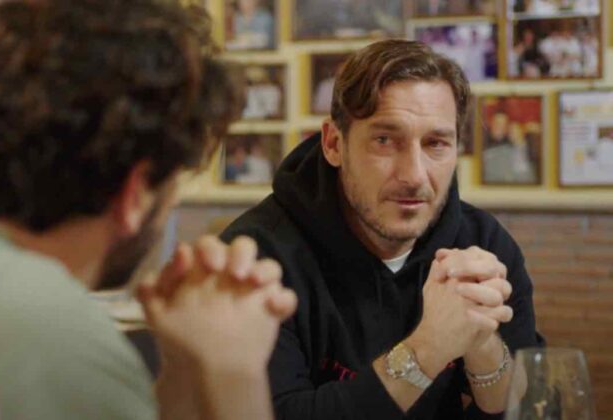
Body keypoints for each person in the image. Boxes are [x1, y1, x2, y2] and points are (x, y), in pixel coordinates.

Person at [0, 1, 298, 419]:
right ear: (135, 193)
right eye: (172, 184)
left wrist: (187, 363)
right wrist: (235, 374)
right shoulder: (41, 332)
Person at [221, 39, 544, 419]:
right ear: (333, 144)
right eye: (385, 140)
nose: (414, 175)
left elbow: (524, 408)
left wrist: (482, 340)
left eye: (436, 143)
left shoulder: (482, 244)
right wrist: (428, 348)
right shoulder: (256, 256)